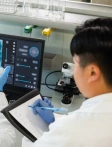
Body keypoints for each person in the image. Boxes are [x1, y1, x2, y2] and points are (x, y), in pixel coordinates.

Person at [22, 17, 112, 146]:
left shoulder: (69, 131)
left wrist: (30, 125)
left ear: (92, 73)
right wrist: (55, 120)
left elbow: (72, 132)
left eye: (75, 63)